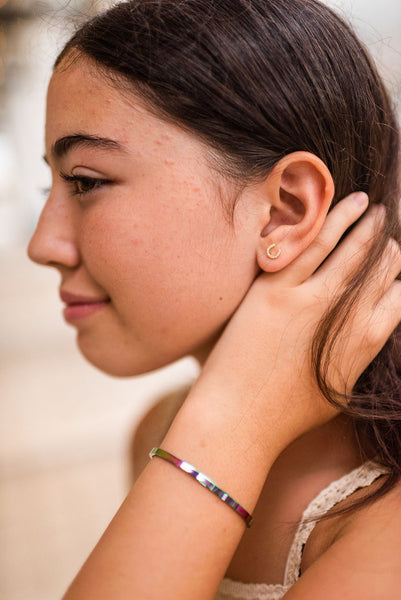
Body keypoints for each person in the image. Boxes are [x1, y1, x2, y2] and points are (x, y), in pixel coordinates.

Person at [27, 0, 401, 598]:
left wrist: (233, 426)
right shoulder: (168, 426)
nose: (42, 245)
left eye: (86, 182)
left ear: (285, 211)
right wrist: (229, 426)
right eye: (51, 185)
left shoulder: (385, 532)